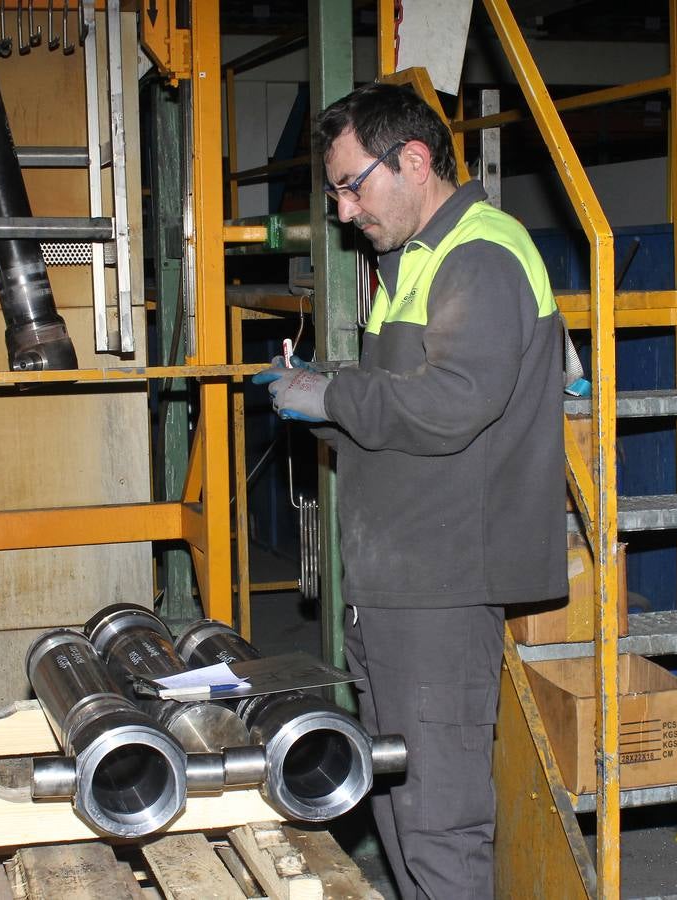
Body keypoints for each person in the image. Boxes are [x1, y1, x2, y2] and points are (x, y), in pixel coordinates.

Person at [254, 82, 568, 899]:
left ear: (415, 160)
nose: (343, 210)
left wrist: (331, 395)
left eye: (352, 184)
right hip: (394, 583)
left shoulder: (481, 254)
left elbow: (453, 404)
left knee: (438, 816)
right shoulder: (411, 260)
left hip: (444, 582)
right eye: (334, 192)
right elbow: (395, 415)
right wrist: (319, 396)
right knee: (395, 799)